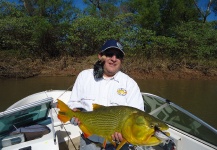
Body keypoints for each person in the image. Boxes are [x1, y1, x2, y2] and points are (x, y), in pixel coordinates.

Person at [67, 39, 144, 150]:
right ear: (100, 56)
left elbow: (137, 119)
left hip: (118, 145)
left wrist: (126, 135)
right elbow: (73, 104)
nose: (113, 59)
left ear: (121, 60)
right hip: (88, 142)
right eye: (109, 54)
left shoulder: (130, 84)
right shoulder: (84, 76)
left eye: (118, 56)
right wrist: (74, 114)